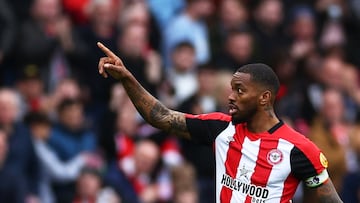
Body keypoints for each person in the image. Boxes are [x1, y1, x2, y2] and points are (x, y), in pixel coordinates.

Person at [96, 42, 343, 202]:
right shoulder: (220, 129)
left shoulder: (300, 149)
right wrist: (127, 79)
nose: (230, 97)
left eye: (240, 90)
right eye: (231, 89)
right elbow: (160, 116)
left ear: (264, 98)